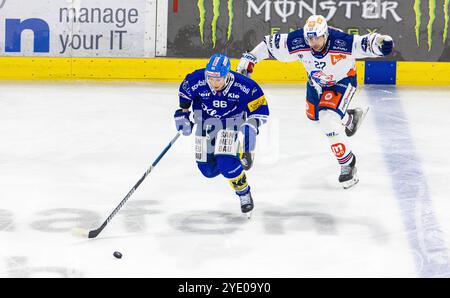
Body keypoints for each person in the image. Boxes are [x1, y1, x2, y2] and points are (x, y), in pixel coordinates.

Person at [237, 15, 394, 189]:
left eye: (317, 38)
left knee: (327, 119)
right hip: (316, 83)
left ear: (325, 34)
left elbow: (364, 43)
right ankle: (350, 119)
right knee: (314, 117)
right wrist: (250, 59)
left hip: (342, 81)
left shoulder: (340, 42)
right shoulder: (299, 41)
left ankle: (347, 163)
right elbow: (269, 44)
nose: (313, 42)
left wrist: (380, 42)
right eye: (310, 38)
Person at [174, 53, 269, 216]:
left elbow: (260, 112)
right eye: (210, 78)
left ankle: (243, 193)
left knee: (226, 164)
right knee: (208, 171)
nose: (214, 83)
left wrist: (251, 127)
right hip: (205, 123)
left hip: (230, 124)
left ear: (228, 75)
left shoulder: (245, 86)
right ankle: (235, 153)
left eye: (218, 79)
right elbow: (185, 92)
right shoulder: (197, 79)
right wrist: (182, 114)